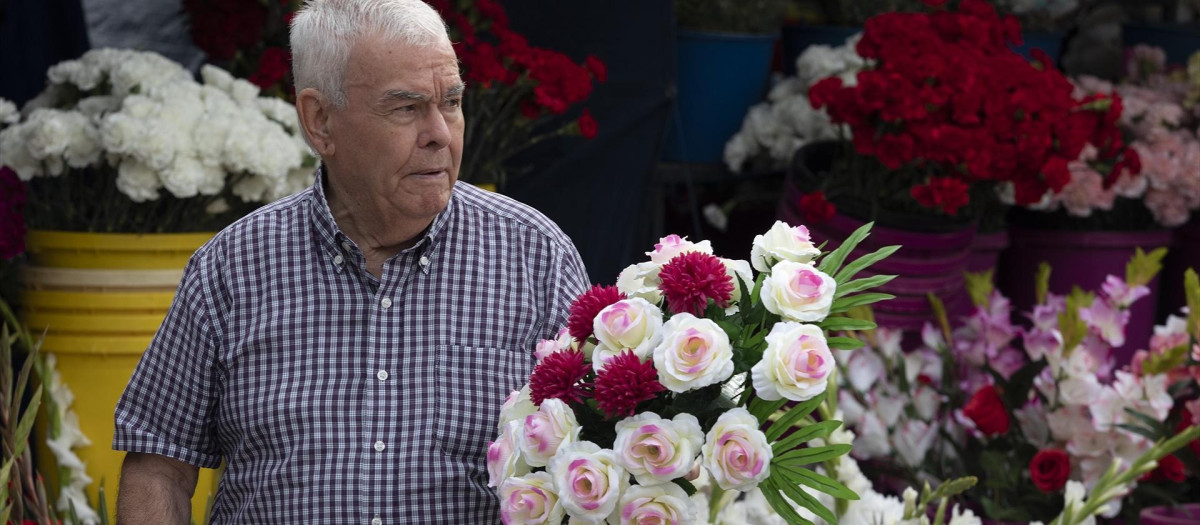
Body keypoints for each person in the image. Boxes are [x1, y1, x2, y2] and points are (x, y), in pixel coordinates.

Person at [112, 0, 590, 522]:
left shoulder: (534, 255)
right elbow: (159, 460)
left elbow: (596, 451)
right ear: (320, 121)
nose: (440, 133)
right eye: (406, 108)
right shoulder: (233, 267)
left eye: (450, 103)